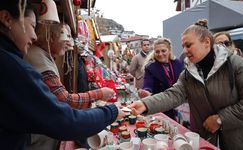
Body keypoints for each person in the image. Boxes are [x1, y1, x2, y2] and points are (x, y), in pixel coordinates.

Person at [0, 1, 124, 149]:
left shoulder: (22, 58)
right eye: (32, 26)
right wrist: (109, 109)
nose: (70, 43)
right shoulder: (19, 65)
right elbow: (64, 109)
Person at [128, 19, 243, 150]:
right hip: (205, 138)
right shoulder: (189, 73)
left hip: (237, 139)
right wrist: (145, 104)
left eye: (189, 45)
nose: (185, 51)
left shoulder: (238, 65)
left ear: (206, 43)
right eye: (183, 46)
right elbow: (173, 95)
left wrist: (220, 119)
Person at [24, 23, 117, 149]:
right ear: (50, 36)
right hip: (36, 138)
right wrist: (99, 94)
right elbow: (64, 100)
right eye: (66, 36)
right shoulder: (39, 59)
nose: (70, 42)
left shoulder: (43, 55)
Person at [138, 38, 183, 120]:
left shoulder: (178, 63)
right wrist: (147, 91)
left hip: (178, 103)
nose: (160, 54)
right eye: (157, 51)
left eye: (163, 51)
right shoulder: (151, 67)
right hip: (161, 106)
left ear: (169, 50)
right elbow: (148, 83)